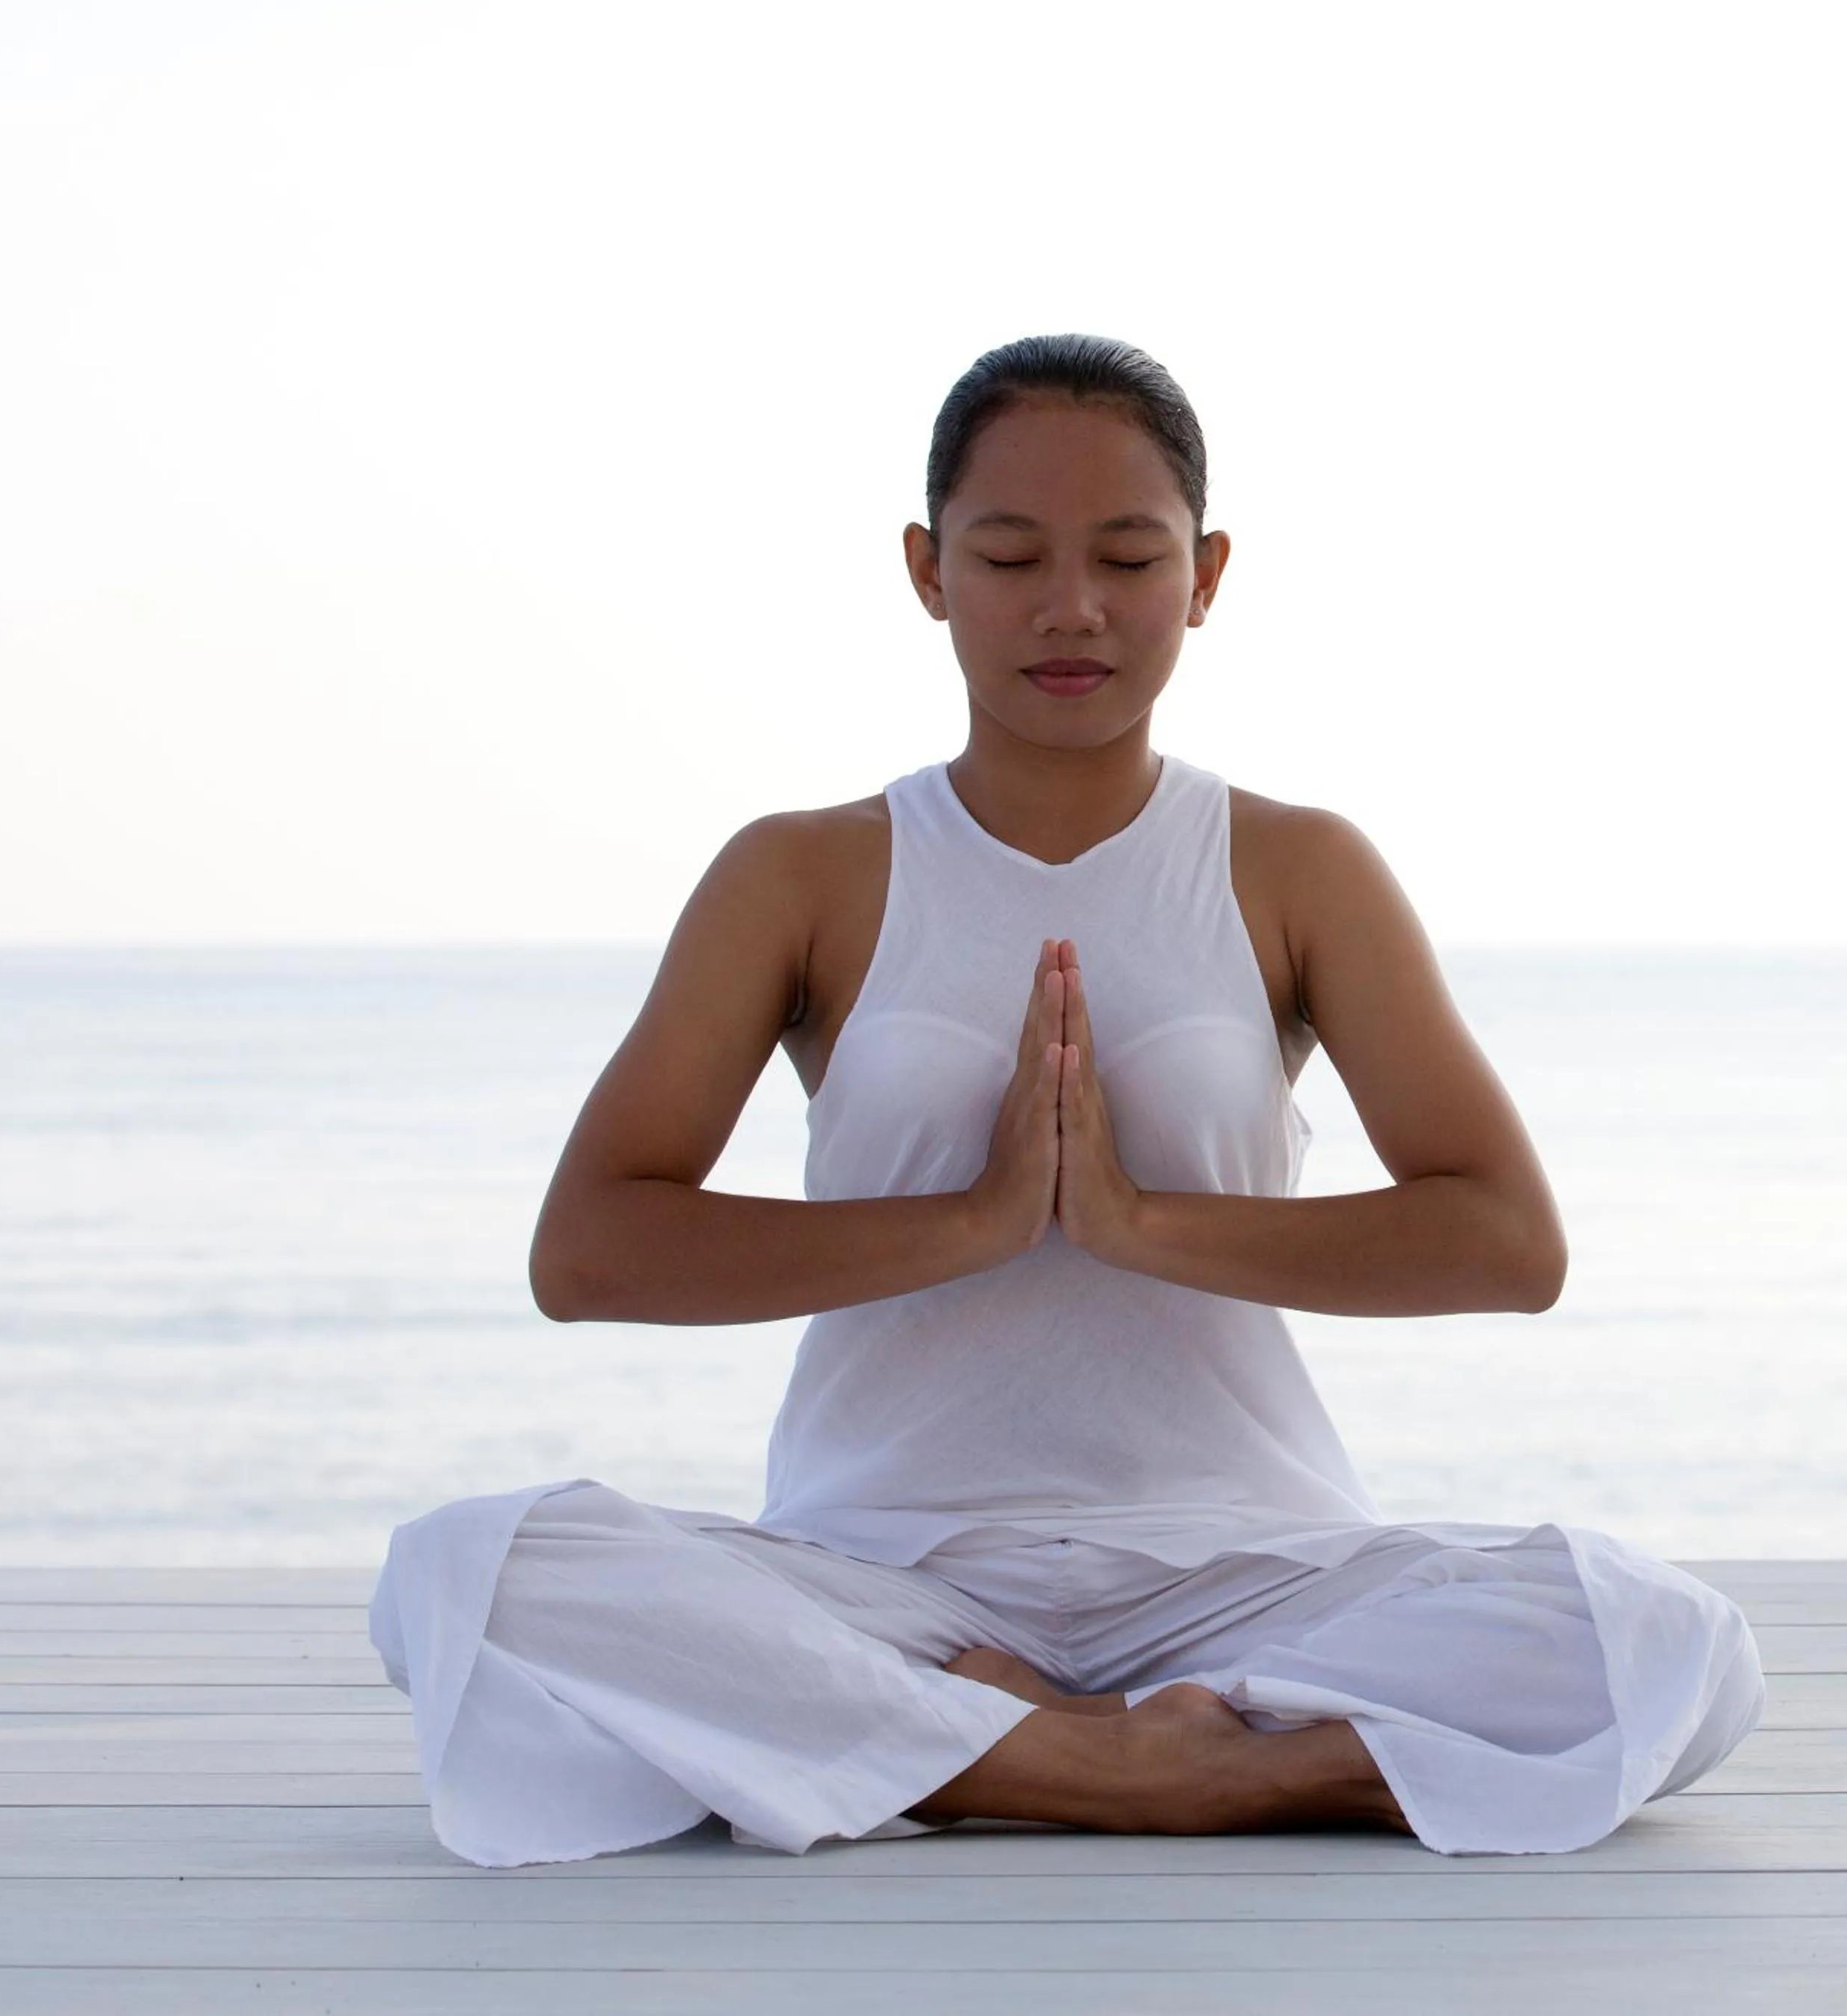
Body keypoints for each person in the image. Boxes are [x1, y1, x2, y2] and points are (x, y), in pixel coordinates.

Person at [369, 333, 1767, 1868]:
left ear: (1208, 572)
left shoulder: (1293, 867)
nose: (1072, 609)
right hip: (888, 1576)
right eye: (1012, 553)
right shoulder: (806, 872)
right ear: (927, 568)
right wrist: (971, 1224)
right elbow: (590, 1254)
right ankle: (1172, 1772)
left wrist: (1136, 1221)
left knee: (1674, 1642)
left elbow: (1506, 1244)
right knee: (459, 1578)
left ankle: (992, 1755)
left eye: (1128, 556)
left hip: (1251, 1574)